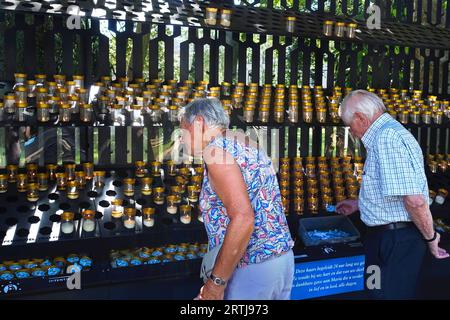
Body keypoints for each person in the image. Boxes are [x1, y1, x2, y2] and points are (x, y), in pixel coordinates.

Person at [336, 90, 449, 300]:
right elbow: (390, 188)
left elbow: (414, 200)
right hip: (382, 239)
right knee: (375, 291)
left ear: (360, 117)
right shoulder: (384, 135)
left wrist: (431, 238)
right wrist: (361, 203)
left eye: (349, 123)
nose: (350, 130)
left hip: (395, 242)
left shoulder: (387, 138)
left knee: (386, 295)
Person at [179, 98, 295, 300]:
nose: (181, 139)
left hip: (252, 269)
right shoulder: (245, 142)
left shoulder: (215, 152)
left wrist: (216, 284)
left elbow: (243, 218)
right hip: (281, 261)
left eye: (182, 130)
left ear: (198, 123)